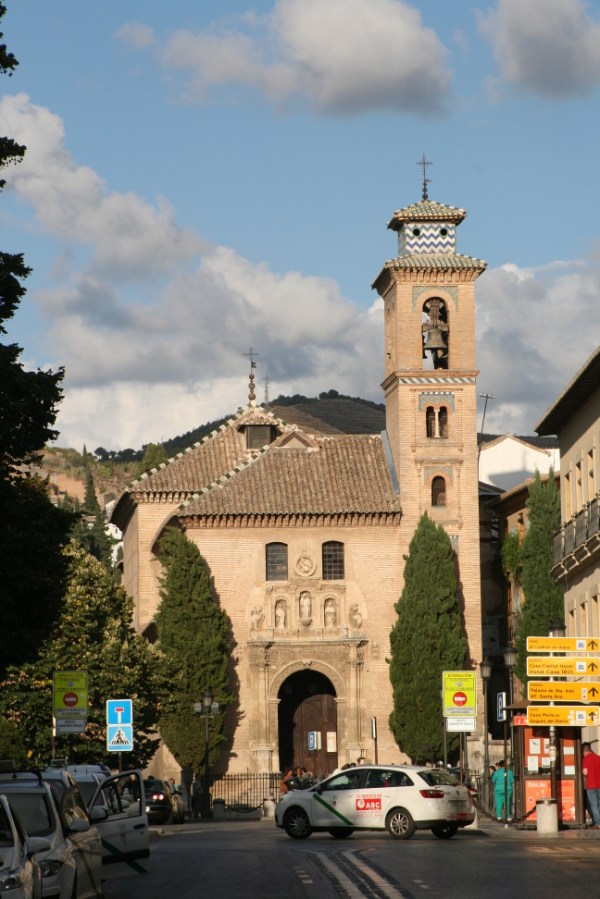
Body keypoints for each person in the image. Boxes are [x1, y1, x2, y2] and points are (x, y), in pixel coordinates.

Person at [582, 743, 600, 828]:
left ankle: (597, 823)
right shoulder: (598, 758)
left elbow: (585, 772)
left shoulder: (585, 759)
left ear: (584, 751)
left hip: (591, 785)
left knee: (594, 804)